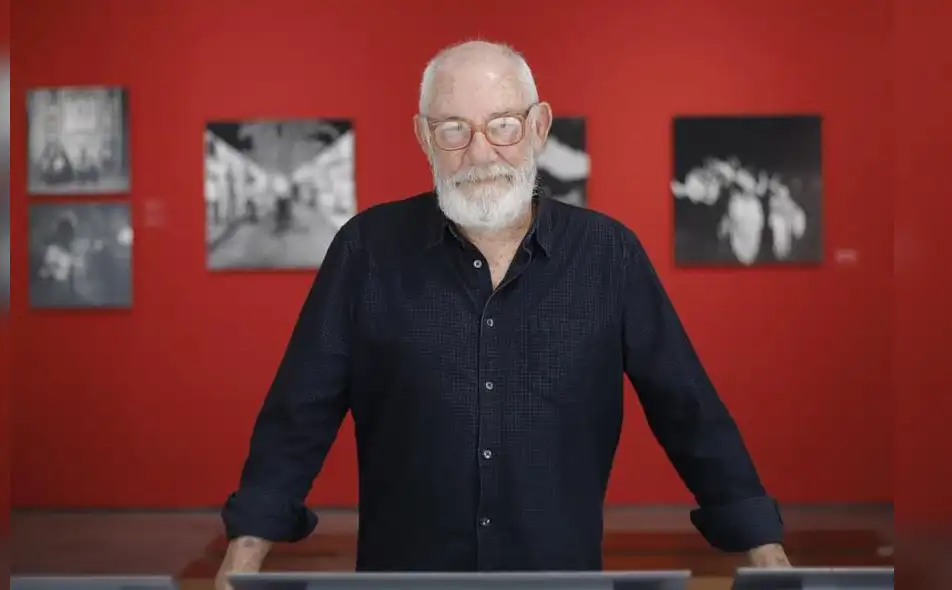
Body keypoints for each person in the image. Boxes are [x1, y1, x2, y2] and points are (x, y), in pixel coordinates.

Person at [215, 40, 790, 588]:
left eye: (503, 125)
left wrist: (767, 555)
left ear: (539, 127)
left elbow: (689, 410)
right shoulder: (365, 249)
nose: (480, 152)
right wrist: (242, 559)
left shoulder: (609, 254)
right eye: (454, 129)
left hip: (561, 581)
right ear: (424, 137)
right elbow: (299, 414)